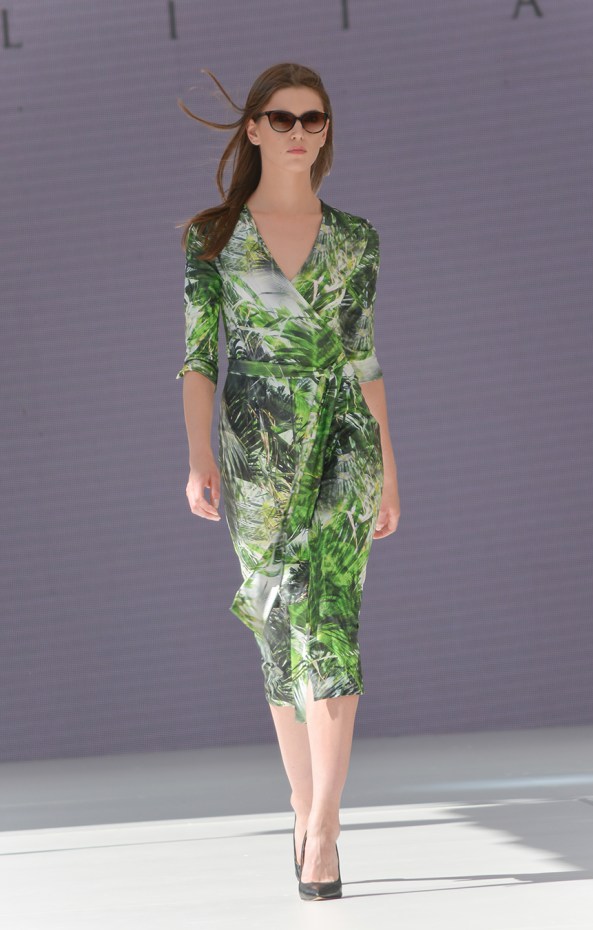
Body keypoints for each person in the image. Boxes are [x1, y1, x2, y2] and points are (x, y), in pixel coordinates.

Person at [175, 62, 400, 901]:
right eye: (283, 117)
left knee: (332, 626)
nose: (300, 131)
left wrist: (389, 471)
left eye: (314, 118)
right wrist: (199, 456)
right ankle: (303, 806)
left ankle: (327, 830)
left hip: (344, 443)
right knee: (278, 630)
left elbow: (365, 360)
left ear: (326, 131)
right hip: (258, 450)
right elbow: (200, 358)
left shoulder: (357, 239)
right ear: (254, 129)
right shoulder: (213, 239)